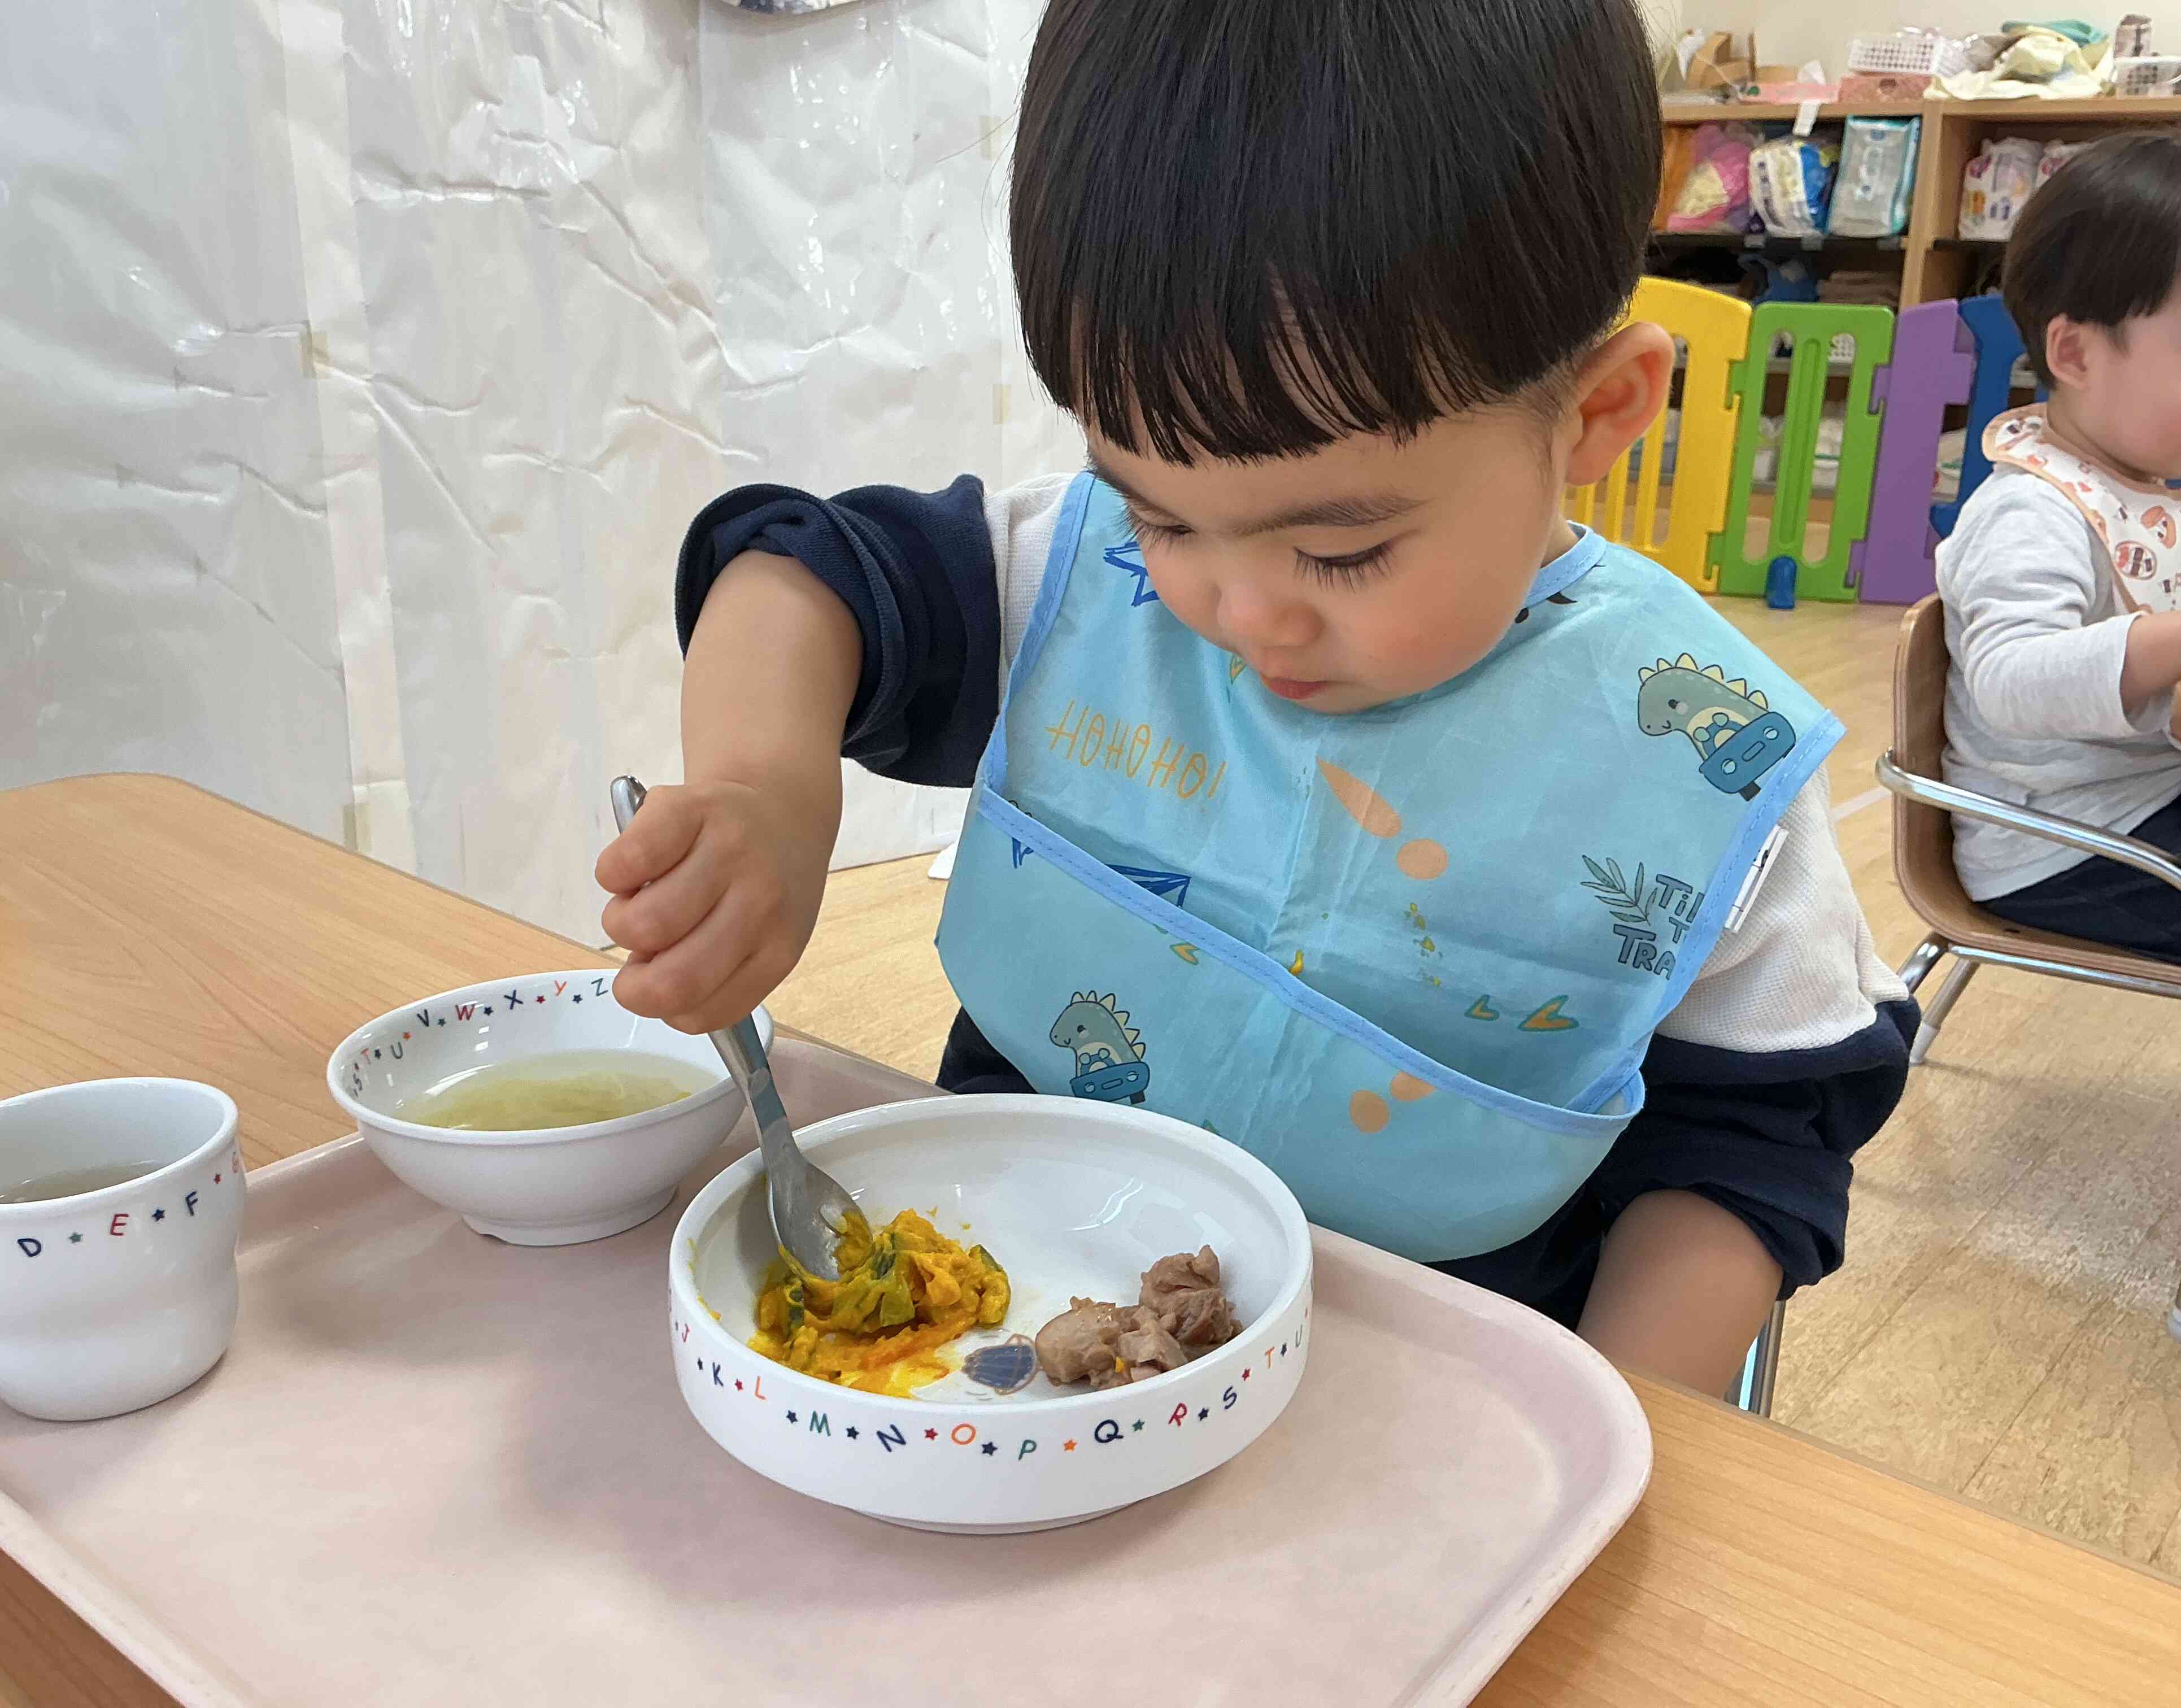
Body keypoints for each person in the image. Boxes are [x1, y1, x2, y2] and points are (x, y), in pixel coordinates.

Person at [597, 0, 1913, 1395]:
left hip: (1427, 1403)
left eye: (1340, 548)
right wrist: (765, 793)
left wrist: (1612, 1431)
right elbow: (801, 575)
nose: (1233, 609)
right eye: (1157, 513)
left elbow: (1751, 1150)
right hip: (1002, 1356)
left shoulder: (1704, 763)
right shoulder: (1074, 579)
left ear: (1595, 413)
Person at [1939, 130, 2181, 1140]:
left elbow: (2180, 697)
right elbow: (2008, 678)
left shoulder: (2153, 491)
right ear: (2077, 352)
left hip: (2156, 805)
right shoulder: (2030, 511)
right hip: (2060, 848)